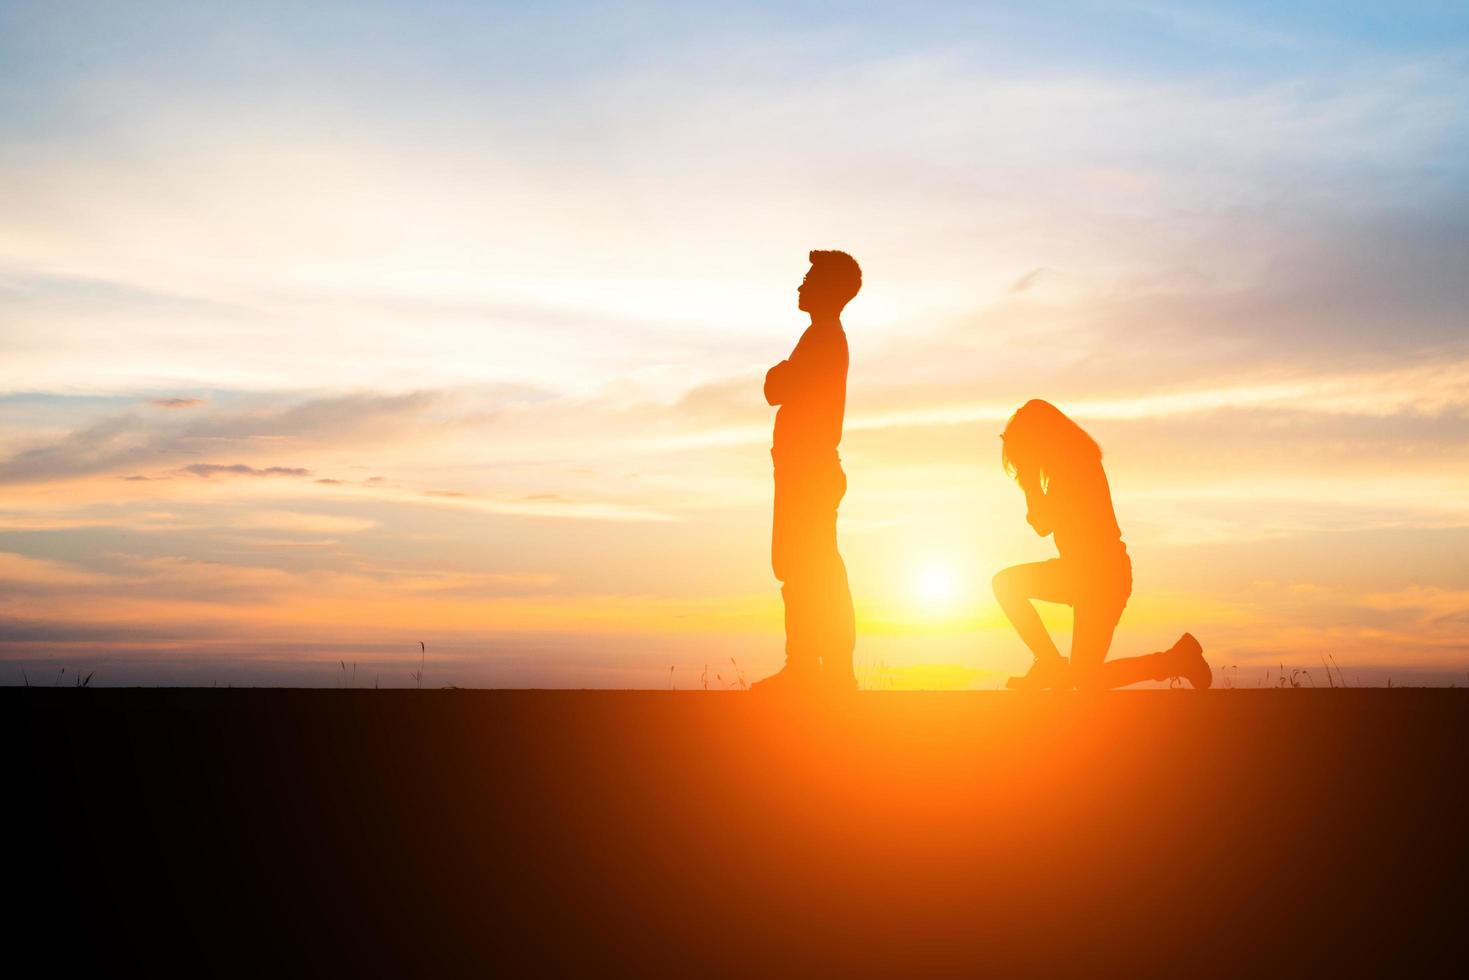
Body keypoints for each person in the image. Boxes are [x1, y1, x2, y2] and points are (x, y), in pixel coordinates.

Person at [991, 399, 1211, 691]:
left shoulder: (1075, 465)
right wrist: (1032, 482)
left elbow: (1043, 524)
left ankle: (1175, 660)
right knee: (1007, 585)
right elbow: (1045, 524)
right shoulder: (1067, 464)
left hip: (1102, 577)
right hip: (1081, 573)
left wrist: (1030, 482)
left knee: (1084, 679)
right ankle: (1051, 664)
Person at [752, 250, 861, 694]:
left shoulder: (823, 338)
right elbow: (778, 386)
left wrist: (779, 373)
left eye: (809, 279)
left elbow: (774, 387)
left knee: (810, 568)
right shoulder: (819, 336)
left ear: (831, 289)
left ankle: (819, 670)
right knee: (804, 568)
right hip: (806, 469)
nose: (800, 285)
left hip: (809, 471)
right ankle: (815, 667)